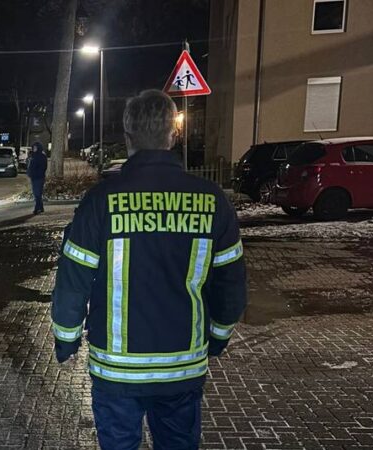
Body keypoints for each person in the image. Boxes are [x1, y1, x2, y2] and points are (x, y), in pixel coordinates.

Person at [51, 90, 247, 449]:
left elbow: (73, 279)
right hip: (182, 369)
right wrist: (218, 337)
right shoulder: (211, 200)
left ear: (127, 139)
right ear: (173, 136)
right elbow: (231, 284)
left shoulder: (101, 201)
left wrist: (66, 339)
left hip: (117, 371)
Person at [26, 142, 48, 214]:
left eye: (35, 148)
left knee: (37, 193)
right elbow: (30, 166)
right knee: (36, 193)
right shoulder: (33, 156)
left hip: (39, 177)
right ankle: (41, 208)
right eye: (33, 148)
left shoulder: (42, 156)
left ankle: (37, 208)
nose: (34, 149)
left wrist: (37, 173)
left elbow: (43, 167)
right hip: (34, 177)